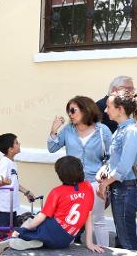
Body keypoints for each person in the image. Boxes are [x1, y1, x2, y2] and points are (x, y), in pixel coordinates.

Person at [0, 156, 105, 254]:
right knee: (44, 228)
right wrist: (90, 243)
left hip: (51, 230)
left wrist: (20, 230)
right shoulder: (88, 187)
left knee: (32, 219)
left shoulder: (57, 192)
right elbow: (88, 217)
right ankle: (38, 241)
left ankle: (18, 237)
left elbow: (41, 217)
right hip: (66, 240)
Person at [47, 96, 112, 246]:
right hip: (72, 185)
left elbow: (111, 157)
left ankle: (105, 252)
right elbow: (52, 148)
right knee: (70, 218)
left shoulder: (103, 131)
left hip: (94, 183)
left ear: (85, 110)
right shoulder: (68, 130)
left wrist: (105, 176)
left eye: (73, 110)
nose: (70, 114)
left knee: (98, 220)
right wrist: (54, 130)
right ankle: (67, 248)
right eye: (68, 111)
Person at [97, 90, 137, 251]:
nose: (105, 110)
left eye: (108, 106)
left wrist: (105, 184)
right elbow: (114, 160)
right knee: (125, 235)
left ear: (120, 109)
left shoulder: (131, 132)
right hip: (121, 188)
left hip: (126, 189)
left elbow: (123, 168)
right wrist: (104, 169)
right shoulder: (121, 129)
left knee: (127, 241)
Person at [0, 133, 36, 227]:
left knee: (11, 232)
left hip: (11, 206)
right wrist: (2, 182)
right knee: (5, 234)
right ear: (10, 149)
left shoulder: (12, 163)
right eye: (16, 142)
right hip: (4, 207)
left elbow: (14, 183)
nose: (19, 144)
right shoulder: (4, 163)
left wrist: (26, 192)